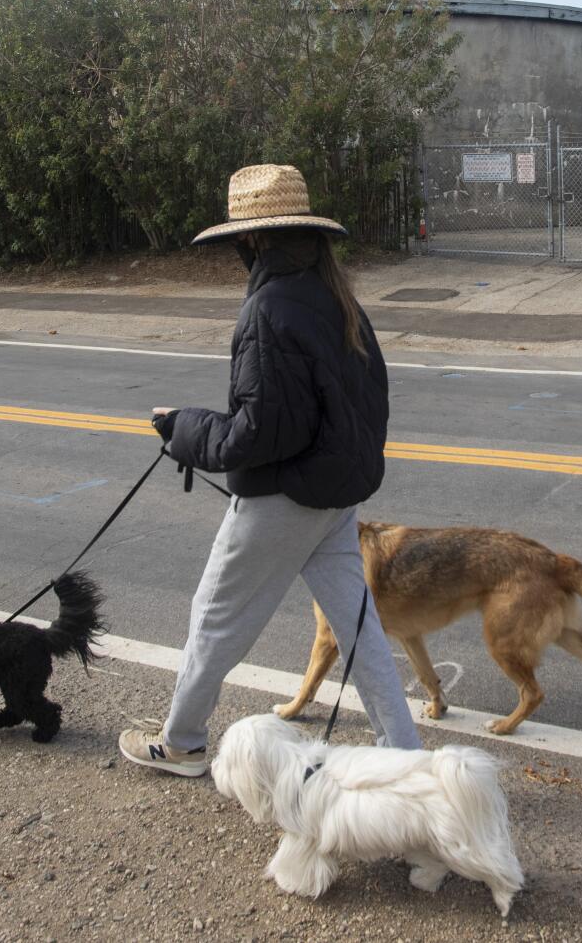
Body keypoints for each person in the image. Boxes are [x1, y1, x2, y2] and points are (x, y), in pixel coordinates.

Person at [119, 164, 423, 776]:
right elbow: (359, 405)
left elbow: (256, 434)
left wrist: (181, 427)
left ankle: (181, 744)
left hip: (283, 499)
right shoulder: (336, 297)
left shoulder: (269, 308)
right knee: (361, 633)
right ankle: (407, 759)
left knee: (214, 619)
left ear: (251, 239)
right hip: (335, 498)